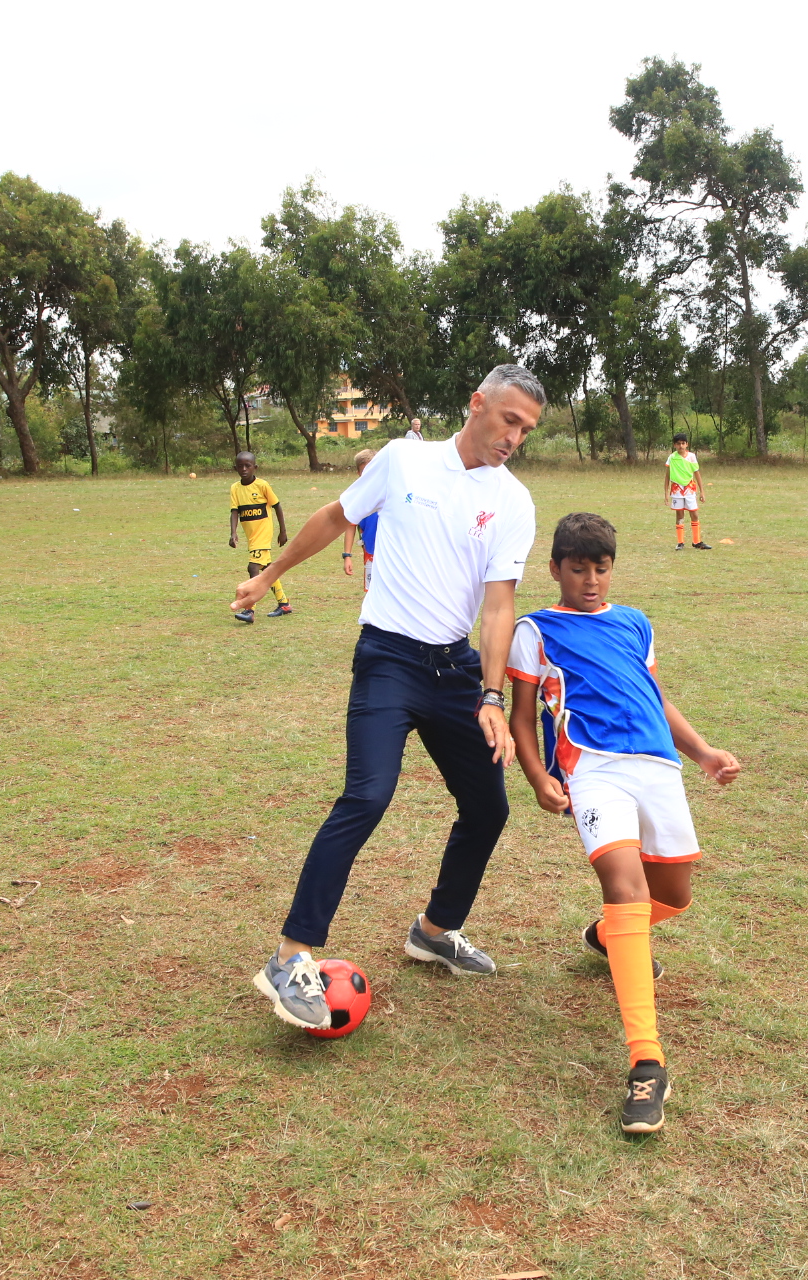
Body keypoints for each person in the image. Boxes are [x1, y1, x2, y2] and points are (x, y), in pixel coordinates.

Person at [237, 365, 544, 1030]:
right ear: (477, 404)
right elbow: (333, 516)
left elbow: (498, 608)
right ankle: (291, 956)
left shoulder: (514, 502)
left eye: (526, 429)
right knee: (367, 794)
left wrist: (491, 694)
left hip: (456, 670)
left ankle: (435, 930)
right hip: (388, 660)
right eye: (509, 419)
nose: (514, 437)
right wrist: (270, 576)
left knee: (488, 807)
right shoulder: (404, 461)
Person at [506, 512, 740, 1133]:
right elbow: (522, 716)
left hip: (657, 767)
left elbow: (657, 696)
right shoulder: (535, 630)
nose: (590, 580)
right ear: (554, 568)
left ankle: (609, 937)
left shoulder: (635, 622)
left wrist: (704, 753)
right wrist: (537, 776)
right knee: (626, 889)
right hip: (592, 771)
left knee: (675, 896)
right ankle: (647, 1064)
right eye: (577, 568)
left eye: (600, 568)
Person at [228, 451, 290, 622]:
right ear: (235, 468)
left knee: (253, 568)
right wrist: (233, 533)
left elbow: (277, 506)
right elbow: (235, 511)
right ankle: (284, 603)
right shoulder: (235, 488)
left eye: (248, 465)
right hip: (251, 537)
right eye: (240, 466)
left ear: (255, 467)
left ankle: (249, 610)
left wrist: (282, 531)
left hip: (263, 535)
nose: (244, 469)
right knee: (268, 570)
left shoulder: (262, 485)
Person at [340, 447, 379, 593]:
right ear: (358, 473)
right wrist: (347, 556)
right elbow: (350, 526)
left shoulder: (391, 492)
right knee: (372, 593)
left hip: (394, 553)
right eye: (364, 472)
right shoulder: (357, 498)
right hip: (370, 554)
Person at [665, 433, 711, 551]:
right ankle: (680, 542)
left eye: (683, 443)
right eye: (678, 444)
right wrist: (666, 493)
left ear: (687, 444)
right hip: (676, 489)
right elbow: (667, 476)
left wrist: (702, 491)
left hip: (689, 488)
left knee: (694, 513)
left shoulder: (691, 457)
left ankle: (697, 541)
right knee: (679, 515)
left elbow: (697, 473)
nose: (681, 446)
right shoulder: (672, 458)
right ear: (675, 445)